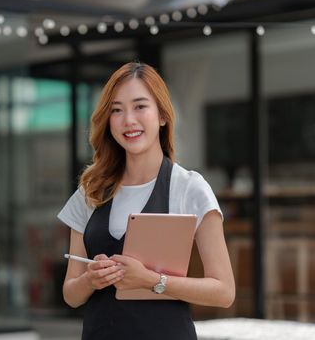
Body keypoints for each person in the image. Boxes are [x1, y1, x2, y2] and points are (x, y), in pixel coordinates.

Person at [58, 62, 235, 340]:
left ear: (163, 115)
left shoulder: (188, 188)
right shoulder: (90, 190)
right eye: (116, 110)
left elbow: (224, 292)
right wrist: (91, 279)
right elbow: (71, 295)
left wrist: (153, 281)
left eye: (140, 106)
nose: (128, 120)